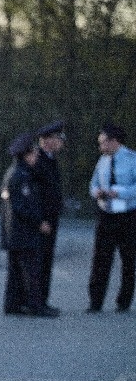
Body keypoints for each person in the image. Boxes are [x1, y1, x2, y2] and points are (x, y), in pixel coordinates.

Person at [0, 133, 57, 317]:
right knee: (31, 271)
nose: (36, 158)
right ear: (27, 155)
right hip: (24, 233)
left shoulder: (13, 172)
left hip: (14, 233)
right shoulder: (21, 176)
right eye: (33, 154)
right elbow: (22, 206)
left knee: (15, 272)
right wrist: (40, 223)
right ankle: (35, 305)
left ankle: (13, 304)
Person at [87, 123, 136, 313]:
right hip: (106, 214)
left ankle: (123, 301)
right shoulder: (102, 161)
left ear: (114, 141)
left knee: (128, 259)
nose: (100, 147)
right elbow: (92, 184)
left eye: (102, 143)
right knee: (100, 259)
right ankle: (95, 301)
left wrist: (121, 193)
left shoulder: (132, 159)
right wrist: (96, 192)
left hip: (127, 215)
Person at [34, 120, 65, 313]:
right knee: (39, 260)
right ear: (47, 140)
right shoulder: (38, 160)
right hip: (42, 219)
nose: (61, 142)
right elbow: (37, 193)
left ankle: (42, 300)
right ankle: (37, 301)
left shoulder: (50, 158)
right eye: (58, 138)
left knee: (46, 259)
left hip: (50, 217)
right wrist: (40, 219)